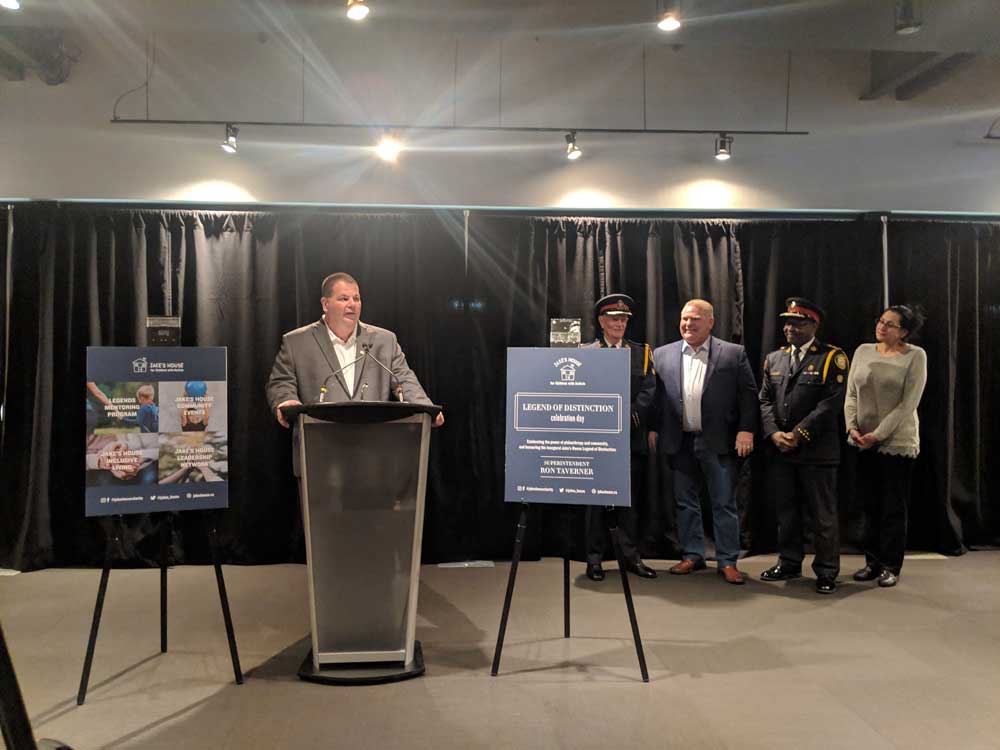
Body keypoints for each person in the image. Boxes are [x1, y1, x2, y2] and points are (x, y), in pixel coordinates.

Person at [266, 272, 443, 472]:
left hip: (375, 456)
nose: (352, 304)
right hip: (320, 454)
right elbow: (281, 381)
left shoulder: (384, 341)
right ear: (325, 304)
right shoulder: (296, 342)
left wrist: (425, 407)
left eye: (356, 298)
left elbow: (404, 378)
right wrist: (286, 400)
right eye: (343, 298)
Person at [646, 299, 758, 584]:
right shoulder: (662, 354)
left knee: (723, 503)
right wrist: (652, 428)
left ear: (710, 321)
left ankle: (727, 560)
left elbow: (748, 396)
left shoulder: (733, 354)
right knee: (685, 502)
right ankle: (692, 555)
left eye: (695, 319)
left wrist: (746, 430)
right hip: (678, 441)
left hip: (717, 441)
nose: (688, 324)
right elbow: (656, 399)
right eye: (684, 319)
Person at [758, 298, 848, 594]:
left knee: (822, 515)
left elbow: (830, 404)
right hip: (781, 451)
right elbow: (765, 401)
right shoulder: (775, 358)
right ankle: (789, 562)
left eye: (797, 323)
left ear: (813, 325)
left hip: (816, 452)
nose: (789, 328)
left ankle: (826, 571)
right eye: (787, 322)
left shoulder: (831, 357)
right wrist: (773, 434)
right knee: (787, 512)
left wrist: (798, 434)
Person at [845, 304, 927, 588]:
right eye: (880, 321)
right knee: (868, 505)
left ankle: (891, 565)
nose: (881, 326)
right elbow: (851, 393)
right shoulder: (863, 351)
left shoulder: (915, 356)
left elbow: (909, 403)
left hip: (896, 441)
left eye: (889, 324)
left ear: (903, 331)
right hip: (862, 440)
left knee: (892, 506)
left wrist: (878, 434)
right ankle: (872, 562)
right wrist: (852, 427)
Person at [580, 293, 657, 581]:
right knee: (595, 503)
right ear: (602, 321)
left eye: (624, 319)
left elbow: (649, 390)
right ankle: (594, 559)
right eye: (614, 318)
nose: (620, 323)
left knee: (628, 502)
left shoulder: (642, 352)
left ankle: (630, 557)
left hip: (629, 437)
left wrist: (629, 414)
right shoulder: (585, 352)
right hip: (596, 439)